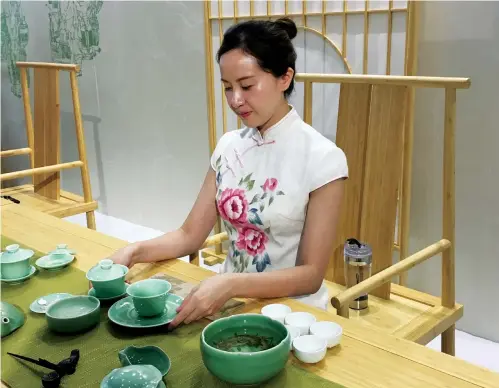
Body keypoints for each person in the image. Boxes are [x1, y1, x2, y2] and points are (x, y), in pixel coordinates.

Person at [108, 17, 348, 329]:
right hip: (227, 303)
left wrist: (230, 284)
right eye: (227, 88)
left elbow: (310, 275)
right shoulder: (229, 147)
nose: (236, 100)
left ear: (284, 78)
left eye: (247, 86)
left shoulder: (323, 158)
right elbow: (189, 235)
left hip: (292, 313)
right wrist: (133, 251)